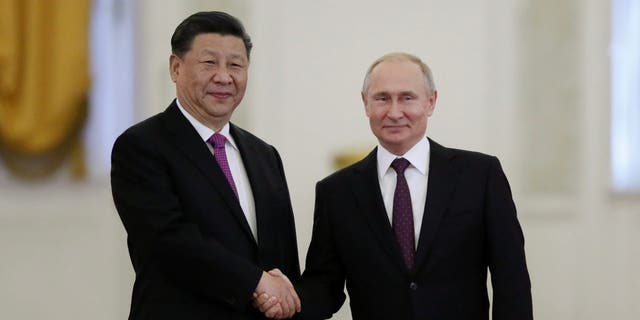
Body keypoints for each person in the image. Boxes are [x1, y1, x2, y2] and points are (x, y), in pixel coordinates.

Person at [256, 52, 533, 319]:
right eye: (382, 98)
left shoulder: (480, 175)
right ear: (365, 103)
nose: (394, 112)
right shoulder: (336, 192)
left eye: (407, 98)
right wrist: (286, 301)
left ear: (431, 102)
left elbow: (511, 279)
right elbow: (324, 286)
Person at [111, 11, 301, 320]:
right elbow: (168, 242)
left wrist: (283, 297)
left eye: (236, 65)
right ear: (176, 68)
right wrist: (256, 282)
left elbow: (284, 259)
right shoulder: (141, 146)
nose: (224, 77)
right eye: (209, 63)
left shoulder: (264, 155)